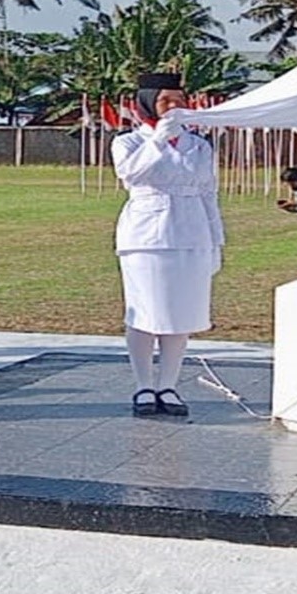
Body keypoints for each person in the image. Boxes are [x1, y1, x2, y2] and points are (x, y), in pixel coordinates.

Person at [111, 70, 223, 417]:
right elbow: (130, 173)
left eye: (179, 100)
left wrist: (217, 240)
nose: (174, 107)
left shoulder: (199, 145)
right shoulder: (129, 142)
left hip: (192, 233)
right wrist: (158, 140)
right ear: (147, 103)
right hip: (148, 236)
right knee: (145, 312)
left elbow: (208, 192)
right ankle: (144, 384)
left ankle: (168, 385)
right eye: (165, 101)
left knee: (181, 314)